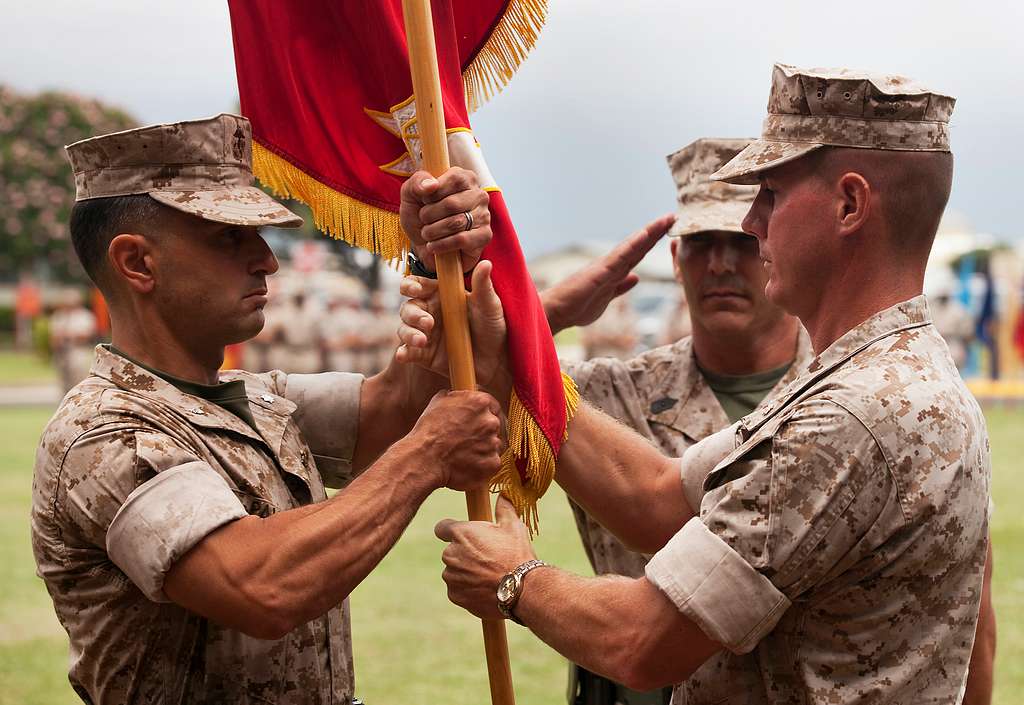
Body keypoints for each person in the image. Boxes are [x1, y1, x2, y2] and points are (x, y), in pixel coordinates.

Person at [402, 64, 992, 703]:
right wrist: (504, 360)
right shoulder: (878, 379)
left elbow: (644, 643)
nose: (751, 224)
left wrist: (516, 578)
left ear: (849, 205)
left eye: (771, 194)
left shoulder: (851, 416)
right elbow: (658, 498)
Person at [31, 113, 502, 705]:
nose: (266, 260)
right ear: (138, 263)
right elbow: (261, 586)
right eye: (228, 237)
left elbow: (395, 409)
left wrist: (432, 259)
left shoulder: (253, 396)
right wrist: (427, 456)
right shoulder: (105, 432)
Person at [543, 137, 812, 705]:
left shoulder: (845, 392)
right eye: (699, 243)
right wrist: (545, 317)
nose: (718, 264)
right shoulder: (609, 394)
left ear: (778, 247)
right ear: (674, 258)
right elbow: (449, 400)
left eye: (741, 241)